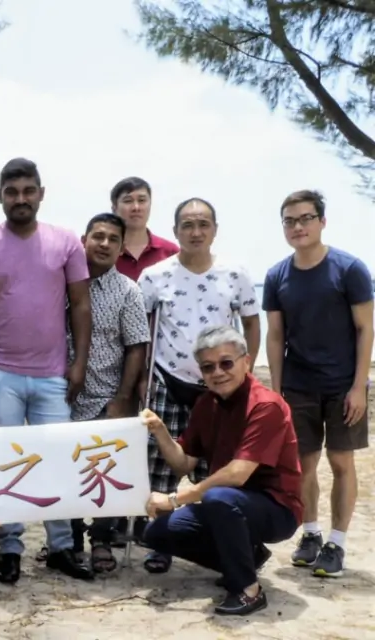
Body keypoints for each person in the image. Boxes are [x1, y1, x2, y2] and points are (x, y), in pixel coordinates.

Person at [0, 157, 93, 583]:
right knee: (7, 464)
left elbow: (82, 306)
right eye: (11, 192)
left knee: (58, 462)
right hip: (0, 374)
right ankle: (10, 547)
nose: (20, 199)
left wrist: (79, 363)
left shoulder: (66, 241)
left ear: (40, 194)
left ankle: (61, 548)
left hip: (53, 374)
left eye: (28, 191)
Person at [141, 325, 302, 616]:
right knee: (157, 532)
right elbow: (183, 464)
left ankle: (249, 591)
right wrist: (161, 431)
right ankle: (247, 557)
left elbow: (237, 474)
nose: (218, 372)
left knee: (218, 497)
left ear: (246, 361)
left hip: (277, 509)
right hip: (227, 504)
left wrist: (177, 499)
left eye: (226, 363)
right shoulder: (206, 403)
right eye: (208, 366)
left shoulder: (266, 406)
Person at [137, 197, 261, 574]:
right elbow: (143, 331)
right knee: (159, 462)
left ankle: (215, 541)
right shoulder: (155, 276)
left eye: (203, 224)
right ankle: (158, 540)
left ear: (215, 230)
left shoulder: (235, 273)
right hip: (168, 378)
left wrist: (247, 367)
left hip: (219, 386)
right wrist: (142, 375)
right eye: (187, 225)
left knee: (216, 467)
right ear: (175, 231)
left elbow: (252, 324)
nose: (195, 232)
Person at [262, 189, 373, 577]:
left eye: (306, 218)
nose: (298, 227)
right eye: (290, 220)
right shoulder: (277, 275)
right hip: (298, 385)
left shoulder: (350, 269)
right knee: (302, 464)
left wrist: (360, 386)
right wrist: (275, 391)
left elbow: (365, 329)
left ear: (322, 222)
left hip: (344, 385)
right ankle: (310, 535)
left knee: (341, 462)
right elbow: (275, 336)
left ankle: (337, 543)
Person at [67, 213, 150, 572]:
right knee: (65, 472)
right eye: (97, 236)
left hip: (105, 397)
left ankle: (100, 540)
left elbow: (136, 347)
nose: (103, 244)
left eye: (112, 239)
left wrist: (122, 398)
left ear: (120, 247)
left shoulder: (129, 291)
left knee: (103, 473)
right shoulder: (61, 282)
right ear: (83, 239)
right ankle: (69, 540)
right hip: (62, 396)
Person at [109, 177, 178, 281]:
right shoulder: (104, 250)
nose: (136, 207)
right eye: (128, 201)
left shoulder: (170, 252)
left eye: (142, 200)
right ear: (114, 209)